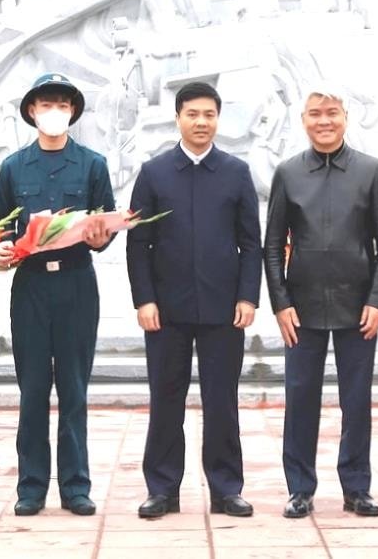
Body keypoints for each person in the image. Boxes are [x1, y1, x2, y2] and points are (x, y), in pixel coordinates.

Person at [126, 81, 262, 519]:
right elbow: (137, 244)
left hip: (224, 310)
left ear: (218, 119)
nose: (201, 122)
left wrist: (248, 296)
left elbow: (251, 242)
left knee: (222, 400)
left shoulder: (237, 173)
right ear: (178, 117)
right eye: (192, 114)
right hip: (166, 310)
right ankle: (162, 489)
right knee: (166, 399)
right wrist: (144, 299)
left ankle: (226, 489)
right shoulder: (155, 173)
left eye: (209, 114)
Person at [264, 87, 378, 519]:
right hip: (300, 309)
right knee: (300, 398)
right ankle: (300, 488)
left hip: (358, 305)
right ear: (302, 120)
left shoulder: (371, 171)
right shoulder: (287, 173)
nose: (324, 121)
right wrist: (280, 303)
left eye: (332, 113)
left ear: (345, 117)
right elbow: (271, 245)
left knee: (356, 400)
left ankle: (357, 488)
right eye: (315, 114)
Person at [0, 73, 115, 517]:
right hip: (31, 285)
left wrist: (101, 236)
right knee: (33, 389)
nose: (54, 111)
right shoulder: (13, 168)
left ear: (73, 112)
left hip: (77, 283)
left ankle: (76, 486)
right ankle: (31, 486)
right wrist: (2, 246)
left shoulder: (92, 164)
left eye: (62, 104)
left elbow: (105, 225)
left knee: (75, 389)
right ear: (31, 111)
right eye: (46, 104)